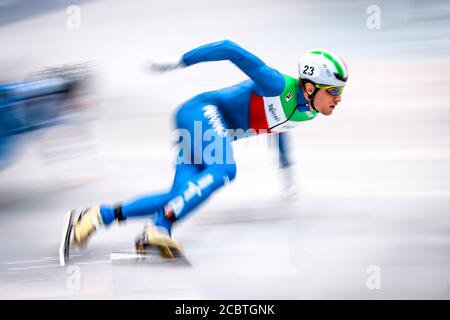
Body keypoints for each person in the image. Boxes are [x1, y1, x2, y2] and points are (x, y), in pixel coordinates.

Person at [59, 40, 348, 264]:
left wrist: (287, 174)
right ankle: (157, 228)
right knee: (224, 170)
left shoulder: (309, 112)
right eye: (334, 91)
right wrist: (179, 61)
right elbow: (229, 48)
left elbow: (282, 131)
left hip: (201, 129)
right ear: (309, 87)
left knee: (179, 196)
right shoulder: (276, 84)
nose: (338, 98)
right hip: (201, 112)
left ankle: (99, 216)